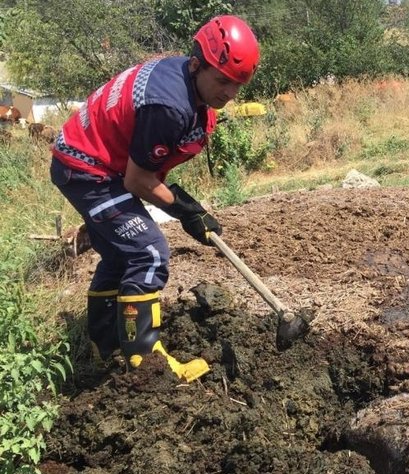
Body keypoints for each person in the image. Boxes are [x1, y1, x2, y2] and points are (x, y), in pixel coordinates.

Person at [50, 15, 260, 382]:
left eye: (237, 84)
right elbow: (138, 180)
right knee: (148, 252)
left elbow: (145, 167)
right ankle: (146, 365)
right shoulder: (169, 105)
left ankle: (106, 347)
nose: (229, 93)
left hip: (98, 164)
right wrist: (186, 211)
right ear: (196, 64)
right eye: (222, 80)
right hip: (86, 170)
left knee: (120, 254)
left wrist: (186, 207)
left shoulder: (184, 83)